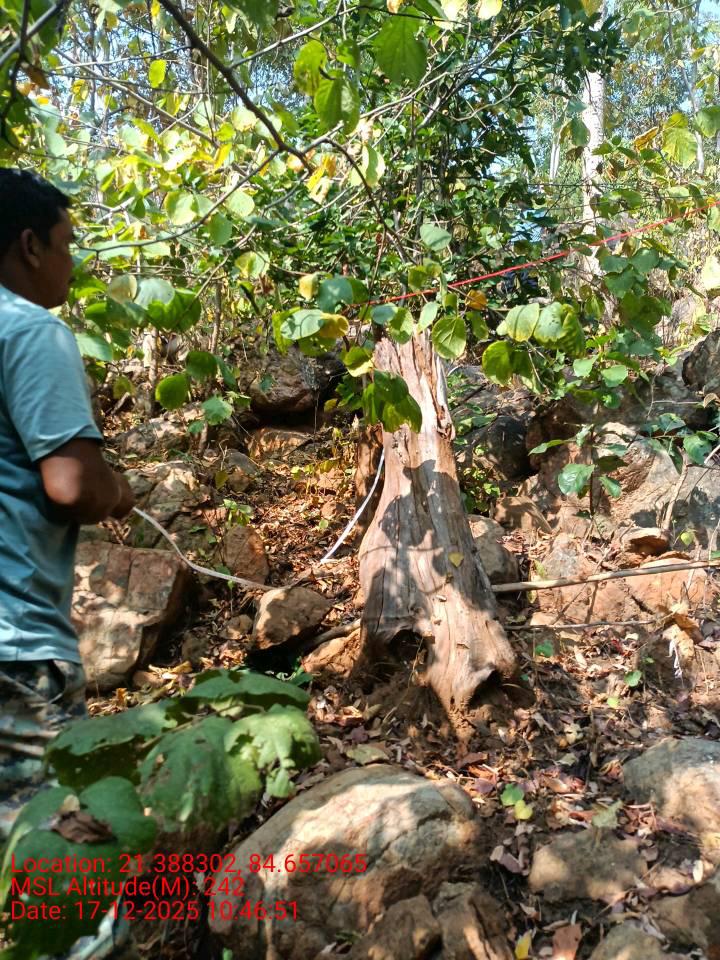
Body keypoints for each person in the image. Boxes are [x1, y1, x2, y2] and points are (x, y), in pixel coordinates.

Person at [0, 168, 136, 957]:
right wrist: (116, 490)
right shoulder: (28, 329)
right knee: (67, 872)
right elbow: (72, 483)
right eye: (66, 244)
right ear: (29, 245)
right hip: (15, 650)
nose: (71, 262)